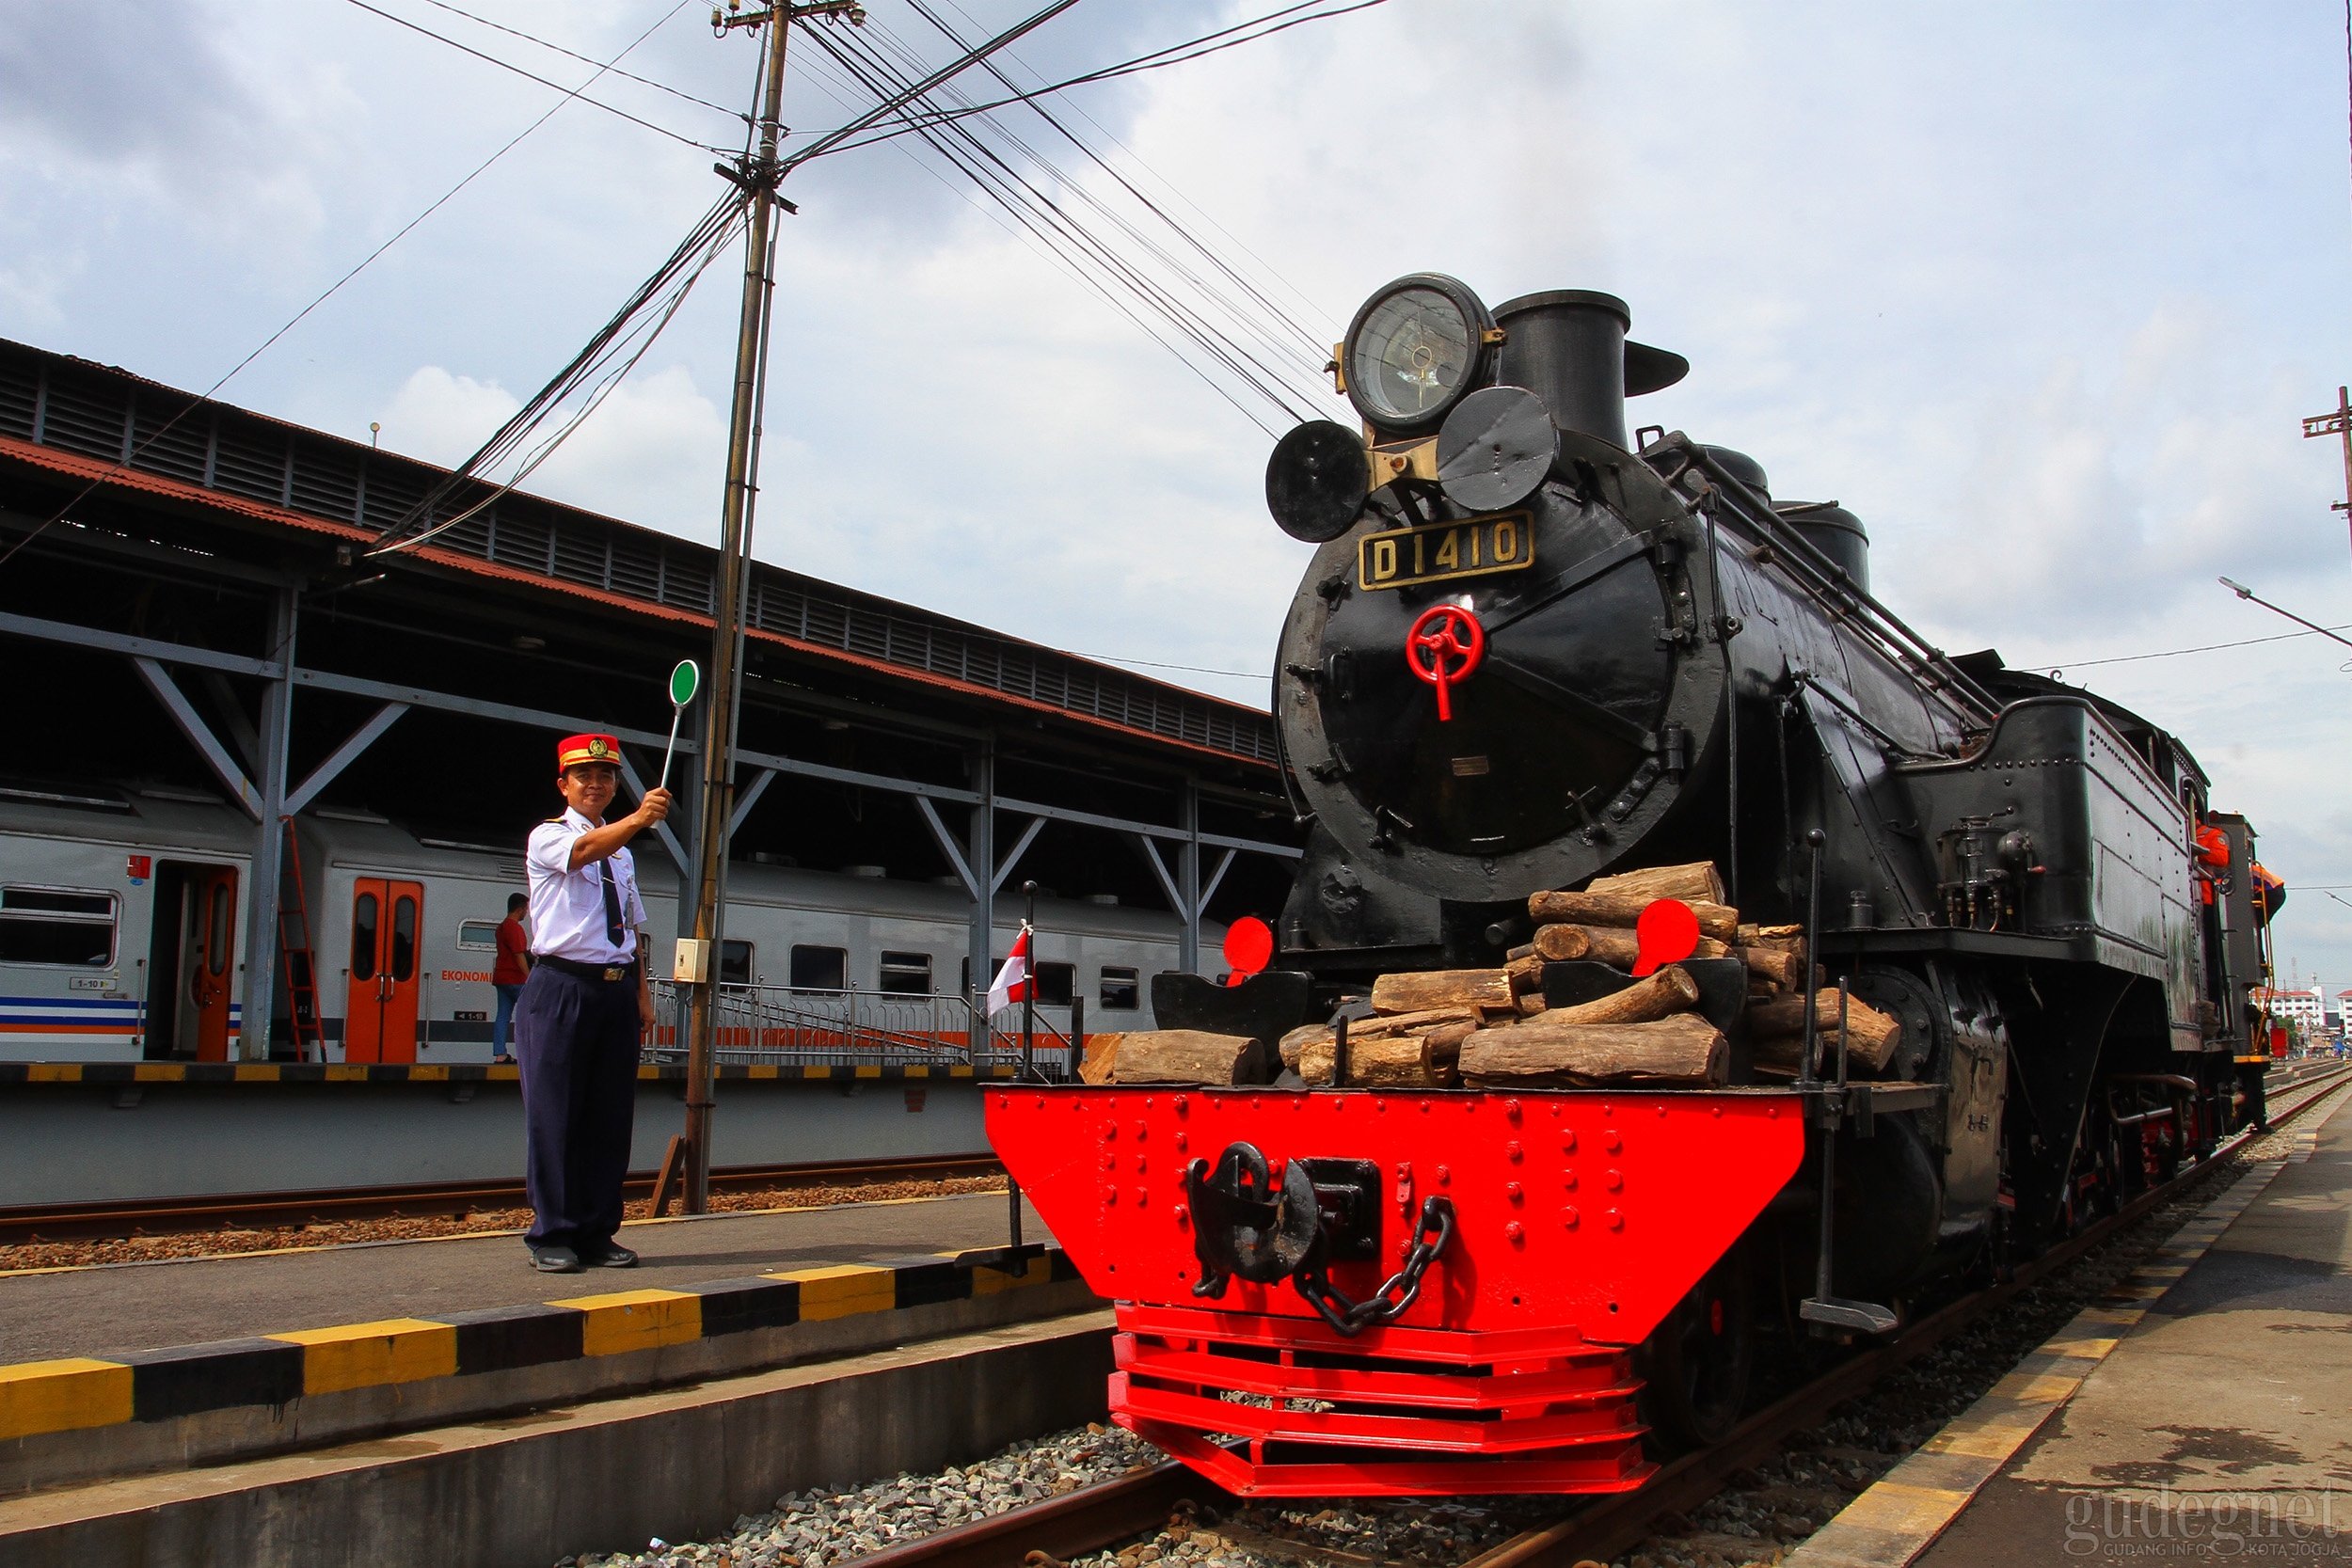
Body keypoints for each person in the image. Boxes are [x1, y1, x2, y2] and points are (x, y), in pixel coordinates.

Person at [514, 734, 671, 1274]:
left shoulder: (623, 854)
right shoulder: (549, 837)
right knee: (556, 1116)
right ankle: (551, 1233)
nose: (596, 785)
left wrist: (642, 994)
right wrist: (637, 819)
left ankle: (598, 1232)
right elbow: (584, 853)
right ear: (564, 784)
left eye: (606, 777)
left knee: (609, 1117)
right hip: (560, 987)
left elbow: (627, 928)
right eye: (585, 776)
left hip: (615, 990)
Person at [491, 892, 530, 1063]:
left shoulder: (501, 928)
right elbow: (518, 955)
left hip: (501, 978)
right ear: (520, 909)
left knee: (502, 1016)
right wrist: (529, 977)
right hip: (516, 979)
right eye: (526, 909)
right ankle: (528, 1053)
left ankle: (500, 1054)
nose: (526, 913)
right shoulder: (515, 928)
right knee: (527, 1016)